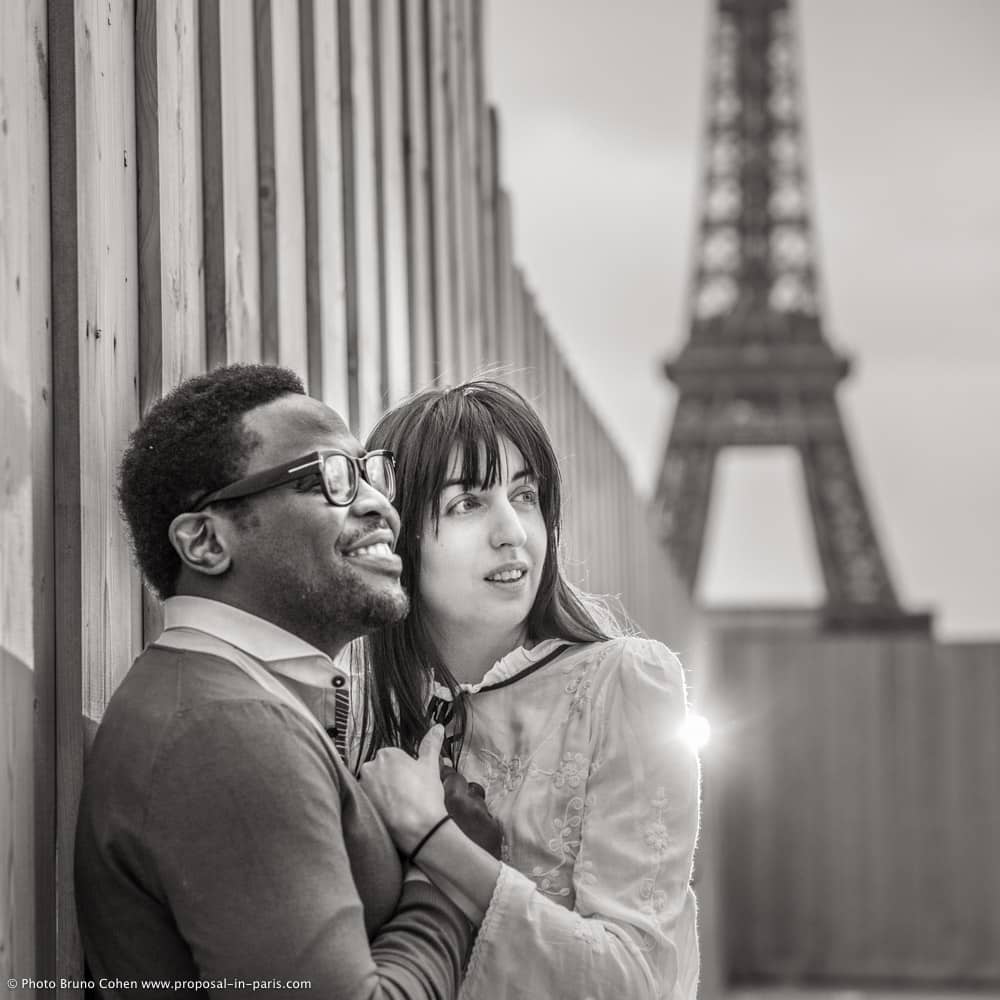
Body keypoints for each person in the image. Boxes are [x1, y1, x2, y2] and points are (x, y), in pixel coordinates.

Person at [75, 364, 494, 999]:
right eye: (330, 477)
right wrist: (446, 875)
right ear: (206, 542)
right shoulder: (221, 731)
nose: (380, 504)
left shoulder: (234, 697)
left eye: (370, 472)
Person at [358, 380, 701, 1000]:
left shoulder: (622, 684)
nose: (512, 530)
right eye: (467, 504)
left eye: (525, 495)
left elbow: (637, 982)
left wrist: (437, 844)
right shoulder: (367, 712)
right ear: (401, 537)